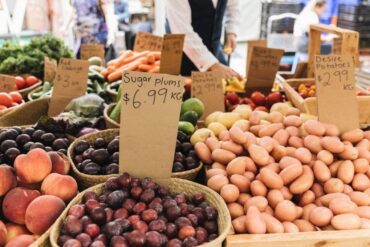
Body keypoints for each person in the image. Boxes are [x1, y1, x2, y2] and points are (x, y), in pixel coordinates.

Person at [166, 0, 242, 79]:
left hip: (214, 52)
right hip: (182, 60)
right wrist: (212, 64)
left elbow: (233, 6)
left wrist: (231, 32)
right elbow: (182, 30)